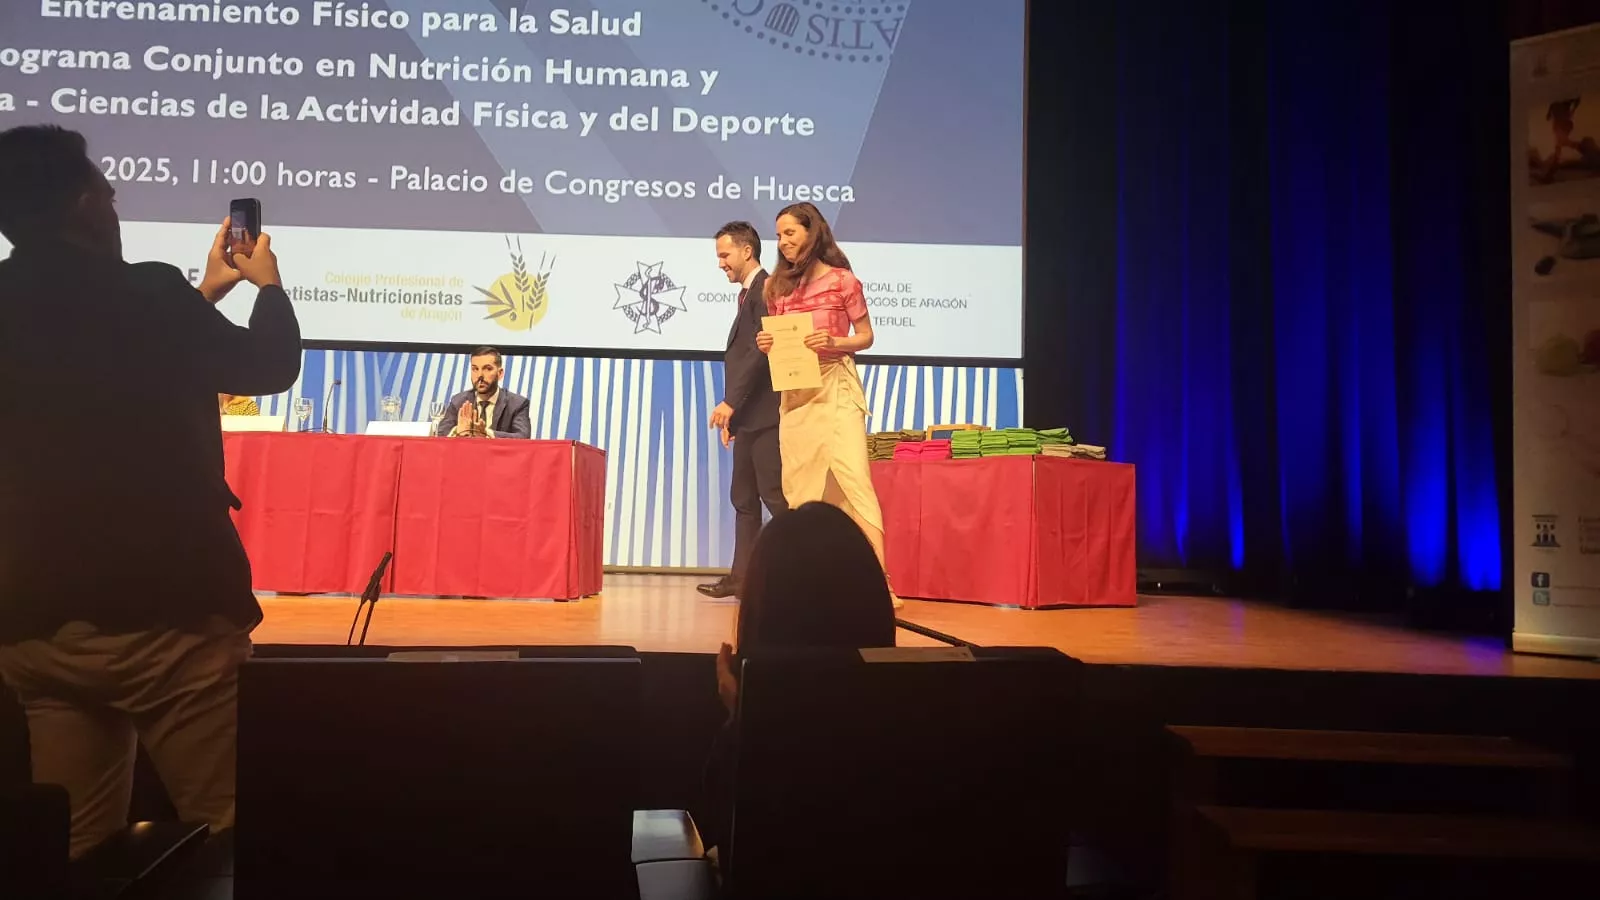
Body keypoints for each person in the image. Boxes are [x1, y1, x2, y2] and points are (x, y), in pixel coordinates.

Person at [0, 124, 300, 858]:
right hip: (167, 615)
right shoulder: (148, 290)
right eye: (107, 190)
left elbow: (91, 368)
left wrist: (205, 291)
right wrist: (266, 286)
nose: (114, 202)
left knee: (76, 848)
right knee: (237, 832)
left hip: (33, 623)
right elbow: (267, 365)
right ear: (82, 205)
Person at [700, 502, 898, 852]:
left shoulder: (761, 739)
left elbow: (721, 829)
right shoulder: (920, 723)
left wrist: (740, 718)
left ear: (761, 612)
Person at [755, 201, 901, 607]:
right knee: (801, 490)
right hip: (796, 394)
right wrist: (767, 344)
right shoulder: (775, 288)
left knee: (853, 479)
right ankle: (810, 583)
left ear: (812, 232)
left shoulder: (843, 281)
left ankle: (879, 584)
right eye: (779, 235)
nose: (783, 242)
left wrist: (837, 343)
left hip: (835, 387)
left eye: (790, 233)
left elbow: (866, 336)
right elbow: (778, 340)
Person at [700, 221, 787, 599]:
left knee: (775, 497)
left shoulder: (766, 288)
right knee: (744, 500)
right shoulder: (748, 293)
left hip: (767, 416)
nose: (720, 263)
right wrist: (734, 417)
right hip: (749, 418)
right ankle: (742, 579)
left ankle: (796, 574)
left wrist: (731, 402)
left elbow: (760, 354)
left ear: (746, 251)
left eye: (724, 254)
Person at [435, 346, 532, 439]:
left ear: (500, 373)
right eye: (475, 369)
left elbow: (522, 437)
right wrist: (459, 431)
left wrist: (486, 434)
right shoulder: (458, 401)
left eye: (487, 369)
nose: (480, 375)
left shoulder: (517, 404)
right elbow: (441, 434)